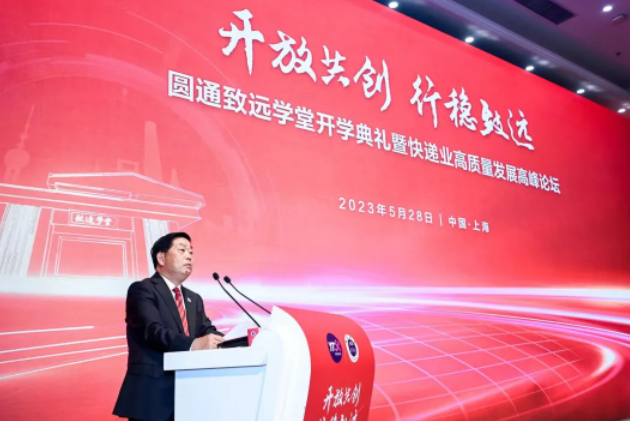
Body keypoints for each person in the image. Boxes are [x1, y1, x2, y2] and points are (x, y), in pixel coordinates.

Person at [113, 232, 224, 421]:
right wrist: (193, 344)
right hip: (152, 397)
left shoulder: (193, 298)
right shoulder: (142, 289)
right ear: (161, 258)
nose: (189, 256)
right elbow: (151, 331)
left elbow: (207, 330)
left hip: (191, 395)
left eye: (191, 252)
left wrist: (226, 342)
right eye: (182, 250)